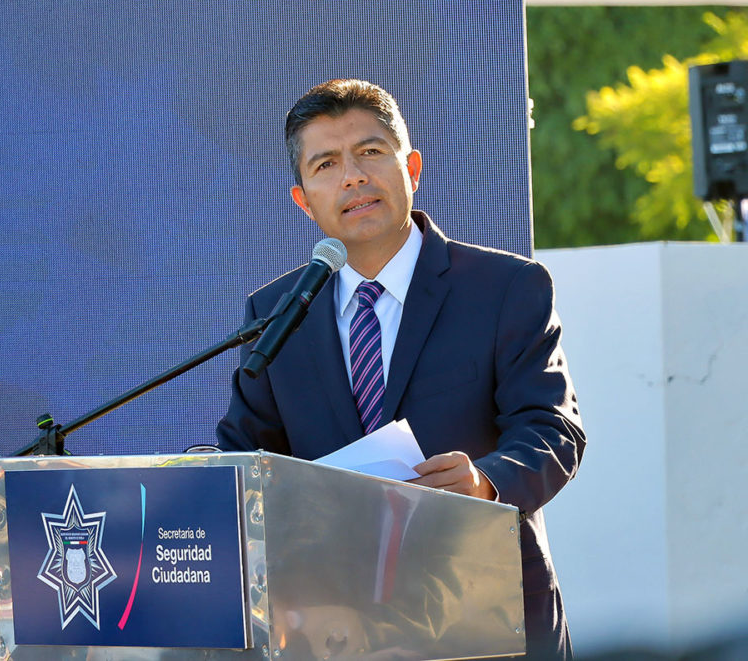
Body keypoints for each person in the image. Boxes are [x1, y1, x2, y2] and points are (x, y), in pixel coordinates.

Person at [216, 79, 586, 660]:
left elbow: (552, 430)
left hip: (486, 615)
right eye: (327, 164)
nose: (354, 176)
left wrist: (483, 483)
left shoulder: (506, 287)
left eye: (370, 153)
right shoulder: (275, 312)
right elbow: (246, 449)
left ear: (411, 165)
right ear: (303, 199)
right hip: (335, 628)